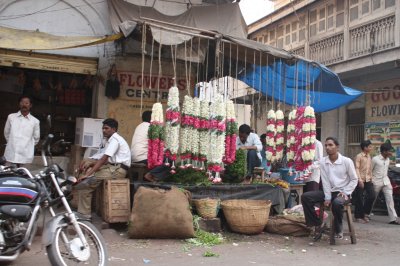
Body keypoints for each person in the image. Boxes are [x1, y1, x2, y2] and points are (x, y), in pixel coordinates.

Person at [301, 137, 358, 240]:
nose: (327, 147)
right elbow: (325, 181)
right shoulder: (323, 162)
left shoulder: (346, 161)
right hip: (329, 191)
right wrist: (327, 197)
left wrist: (345, 191)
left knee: (336, 203)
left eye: (330, 145)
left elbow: (354, 179)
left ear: (337, 147)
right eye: (326, 145)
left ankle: (338, 228)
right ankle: (317, 223)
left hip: (342, 193)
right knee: (306, 197)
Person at [74, 118, 131, 219]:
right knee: (86, 172)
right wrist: (89, 162)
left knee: (86, 183)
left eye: (106, 128)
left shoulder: (115, 140)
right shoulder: (109, 140)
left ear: (113, 129)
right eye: (103, 128)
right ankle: (83, 210)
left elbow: (103, 159)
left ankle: (85, 214)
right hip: (112, 168)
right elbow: (101, 157)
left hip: (117, 171)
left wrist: (89, 174)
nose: (103, 130)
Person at [3, 96, 40, 166]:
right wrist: (12, 142)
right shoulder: (11, 117)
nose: (24, 105)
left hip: (25, 157)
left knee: (23, 176)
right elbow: (6, 133)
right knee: (8, 175)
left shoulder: (35, 121)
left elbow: (36, 138)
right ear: (19, 104)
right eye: (22, 102)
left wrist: (26, 146)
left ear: (30, 105)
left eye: (26, 103)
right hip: (11, 154)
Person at [371, 143, 400, 225]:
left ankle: (393, 218)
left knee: (390, 199)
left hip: (386, 181)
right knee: (372, 199)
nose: (391, 152)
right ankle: (367, 214)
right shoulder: (375, 159)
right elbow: (370, 171)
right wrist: (371, 181)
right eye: (389, 151)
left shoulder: (388, 159)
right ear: (384, 151)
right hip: (376, 182)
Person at [353, 140, 375, 223]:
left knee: (372, 195)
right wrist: (359, 180)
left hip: (368, 179)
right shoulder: (359, 156)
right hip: (360, 179)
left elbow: (369, 169)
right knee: (359, 198)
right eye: (370, 146)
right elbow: (356, 168)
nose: (371, 148)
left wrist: (371, 178)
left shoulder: (369, 156)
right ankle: (357, 216)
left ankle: (365, 213)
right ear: (365, 148)